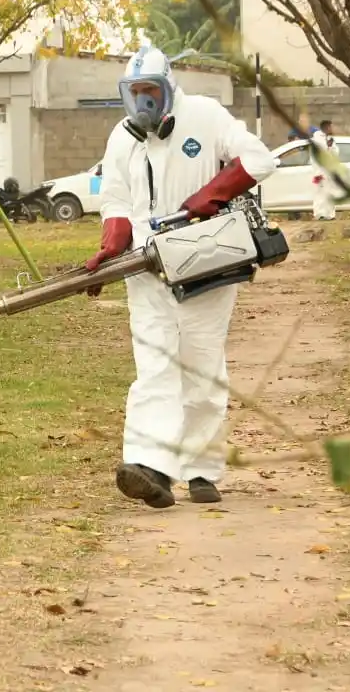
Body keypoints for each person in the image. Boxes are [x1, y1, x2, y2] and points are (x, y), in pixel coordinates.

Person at [85, 46, 278, 508]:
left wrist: (213, 193)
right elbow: (115, 197)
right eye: (135, 93)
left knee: (201, 365)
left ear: (169, 88)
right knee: (155, 366)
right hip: (145, 267)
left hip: (204, 259)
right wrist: (113, 241)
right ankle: (148, 466)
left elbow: (259, 159)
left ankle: (201, 470)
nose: (143, 102)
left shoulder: (207, 116)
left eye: (150, 91)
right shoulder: (122, 137)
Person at [310, 119, 338, 221]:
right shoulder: (317, 139)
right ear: (326, 128)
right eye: (331, 127)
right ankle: (319, 214)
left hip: (329, 171)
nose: (332, 129)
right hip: (321, 171)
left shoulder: (330, 139)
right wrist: (317, 173)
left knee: (329, 193)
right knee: (320, 193)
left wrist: (330, 147)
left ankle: (330, 214)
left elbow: (335, 153)